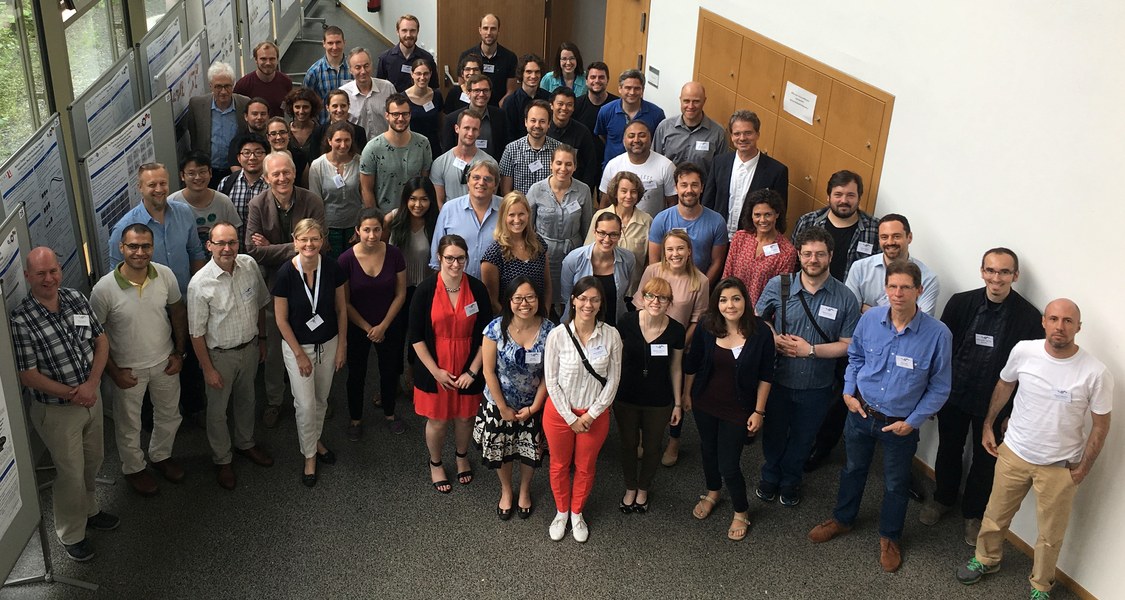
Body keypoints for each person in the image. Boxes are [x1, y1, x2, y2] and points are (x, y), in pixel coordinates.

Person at [955, 299, 1112, 600]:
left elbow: (1101, 425)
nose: (1060, 326)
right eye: (1054, 318)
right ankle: (986, 560)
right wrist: (989, 424)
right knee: (995, 515)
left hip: (1060, 466)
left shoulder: (1095, 372)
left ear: (1079, 327)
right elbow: (1004, 385)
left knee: (1050, 536)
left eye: (1068, 321)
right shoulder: (1024, 351)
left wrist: (1082, 470)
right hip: (1014, 453)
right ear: (1044, 322)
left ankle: (1041, 586)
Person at [808, 260, 952, 573]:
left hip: (900, 424)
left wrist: (912, 422)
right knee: (853, 469)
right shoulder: (870, 318)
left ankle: (890, 537)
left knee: (896, 483)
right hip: (861, 412)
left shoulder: (938, 335)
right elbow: (856, 357)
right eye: (893, 287)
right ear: (885, 289)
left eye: (905, 287)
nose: (898, 294)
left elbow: (940, 388)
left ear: (919, 290)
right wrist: (848, 392)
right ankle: (843, 519)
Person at [925, 248, 1043, 544]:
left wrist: (1011, 414)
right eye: (990, 270)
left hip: (995, 405)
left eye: (1004, 272)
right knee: (948, 448)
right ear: (982, 272)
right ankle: (943, 499)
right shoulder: (961, 303)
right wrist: (933, 392)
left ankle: (973, 515)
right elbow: (942, 350)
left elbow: (1029, 373)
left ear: (1015, 276)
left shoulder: (1029, 317)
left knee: (985, 461)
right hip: (955, 394)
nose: (996, 278)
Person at [11, 248, 117, 562]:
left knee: (93, 459)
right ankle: (72, 534)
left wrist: (92, 383)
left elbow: (100, 341)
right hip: (57, 411)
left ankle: (89, 509)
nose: (49, 279)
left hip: (90, 397)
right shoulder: (21, 320)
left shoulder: (74, 298)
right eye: (40, 274)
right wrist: (75, 393)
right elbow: (28, 376)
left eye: (53, 271)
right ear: (28, 277)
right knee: (70, 472)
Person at [754, 226, 859, 507]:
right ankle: (770, 473)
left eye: (820, 254)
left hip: (818, 385)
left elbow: (848, 344)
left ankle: (791, 479)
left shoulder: (845, 297)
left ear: (831, 256)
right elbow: (757, 319)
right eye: (808, 254)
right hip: (777, 380)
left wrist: (809, 350)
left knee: (803, 438)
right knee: (774, 433)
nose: (814, 260)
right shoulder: (779, 285)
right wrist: (773, 339)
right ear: (799, 255)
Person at [91, 223, 187, 496]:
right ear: (121, 248)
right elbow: (94, 338)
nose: (139, 252)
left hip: (164, 362)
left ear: (152, 248)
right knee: (129, 423)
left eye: (146, 246)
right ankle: (134, 468)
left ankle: (160, 455)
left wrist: (180, 353)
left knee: (169, 414)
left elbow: (178, 312)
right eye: (133, 246)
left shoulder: (164, 275)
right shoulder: (104, 290)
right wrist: (113, 372)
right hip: (126, 370)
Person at [792, 170, 879, 471]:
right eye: (838, 194)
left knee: (839, 385)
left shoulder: (873, 230)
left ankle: (823, 446)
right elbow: (796, 264)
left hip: (848, 317)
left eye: (851, 195)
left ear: (859, 197)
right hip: (808, 309)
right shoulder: (808, 221)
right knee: (801, 373)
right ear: (828, 195)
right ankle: (795, 435)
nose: (844, 200)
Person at [187, 222, 275, 491]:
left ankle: (245, 443)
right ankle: (222, 459)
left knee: (247, 400)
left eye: (232, 242)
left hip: (248, 349)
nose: (227, 248)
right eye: (221, 243)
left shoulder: (248, 265)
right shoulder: (199, 285)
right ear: (209, 245)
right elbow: (196, 333)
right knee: (217, 412)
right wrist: (207, 369)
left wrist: (261, 339)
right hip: (219, 357)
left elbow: (260, 303)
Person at [685, 277, 774, 541]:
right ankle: (713, 492)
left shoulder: (760, 332)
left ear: (745, 301)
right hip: (705, 403)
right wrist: (686, 396)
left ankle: (741, 510)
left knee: (729, 463)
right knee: (708, 450)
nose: (730, 305)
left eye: (736, 298)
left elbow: (766, 375)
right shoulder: (707, 326)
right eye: (723, 300)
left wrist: (759, 412)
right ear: (716, 304)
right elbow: (693, 363)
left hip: (740, 409)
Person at [245, 152, 326, 428]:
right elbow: (253, 249)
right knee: (277, 350)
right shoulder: (257, 204)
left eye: (286, 172)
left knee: (314, 342)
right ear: (266, 178)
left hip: (310, 285)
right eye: (275, 174)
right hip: (273, 287)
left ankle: (315, 397)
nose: (282, 178)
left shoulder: (312, 201)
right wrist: (296, 246)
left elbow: (319, 245)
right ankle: (275, 401)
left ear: (294, 173)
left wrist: (274, 246)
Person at [408, 234, 494, 493]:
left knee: (466, 418)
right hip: (435, 366)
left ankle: (461, 455)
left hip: (469, 364)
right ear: (439, 258)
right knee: (438, 420)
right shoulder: (425, 290)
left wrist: (473, 370)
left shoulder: (477, 289)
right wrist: (435, 372)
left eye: (460, 258)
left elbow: (487, 335)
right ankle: (436, 462)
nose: (455, 264)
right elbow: (415, 336)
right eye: (449, 259)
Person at [543, 276, 623, 542]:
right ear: (573, 301)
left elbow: (613, 380)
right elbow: (550, 380)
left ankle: (577, 513)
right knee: (559, 464)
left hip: (594, 415)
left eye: (595, 299)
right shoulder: (557, 335)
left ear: (601, 304)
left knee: (586, 466)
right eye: (583, 298)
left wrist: (590, 415)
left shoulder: (611, 336)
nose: (588, 304)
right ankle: (561, 511)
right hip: (559, 414)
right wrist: (570, 417)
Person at [272, 218, 348, 487]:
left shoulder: (333, 268)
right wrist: (300, 355)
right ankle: (309, 457)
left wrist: (342, 346)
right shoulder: (284, 273)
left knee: (320, 400)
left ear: (322, 241)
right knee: (304, 405)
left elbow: (341, 310)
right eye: (303, 239)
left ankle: (314, 440)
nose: (309, 244)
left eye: (314, 239)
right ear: (295, 242)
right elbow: (281, 320)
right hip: (298, 348)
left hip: (328, 344)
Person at [473, 277, 554, 519]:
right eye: (518, 298)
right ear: (509, 301)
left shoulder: (550, 331)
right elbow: (488, 371)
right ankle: (507, 490)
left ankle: (525, 491)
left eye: (530, 297)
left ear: (538, 300)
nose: (524, 303)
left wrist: (535, 406)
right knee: (504, 451)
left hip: (534, 403)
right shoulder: (495, 328)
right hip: (499, 403)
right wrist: (502, 407)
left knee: (529, 452)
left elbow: (550, 374)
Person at [615, 277, 685, 514]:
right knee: (628, 444)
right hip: (626, 396)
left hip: (659, 399)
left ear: (669, 302)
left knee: (653, 446)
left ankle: (643, 487)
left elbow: (676, 367)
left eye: (662, 297)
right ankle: (630, 486)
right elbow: (616, 359)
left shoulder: (677, 330)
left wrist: (677, 403)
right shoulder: (626, 322)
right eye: (650, 296)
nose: (655, 301)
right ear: (642, 298)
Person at [340, 208, 408, 440]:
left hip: (389, 324)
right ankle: (355, 418)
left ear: (383, 230)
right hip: (358, 326)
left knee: (389, 371)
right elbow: (344, 302)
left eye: (377, 229)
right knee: (356, 373)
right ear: (357, 231)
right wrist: (368, 328)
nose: (371, 235)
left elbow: (400, 294)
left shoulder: (394, 254)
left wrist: (383, 325)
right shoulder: (346, 259)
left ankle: (390, 413)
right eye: (366, 230)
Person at [703, 110, 789, 239]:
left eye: (748, 133)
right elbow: (707, 202)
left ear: (757, 134)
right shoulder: (719, 163)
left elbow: (779, 214)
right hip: (717, 238)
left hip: (751, 243)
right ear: (731, 136)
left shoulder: (776, 171)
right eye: (737, 134)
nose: (742, 138)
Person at [527, 145, 592, 311]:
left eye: (569, 164)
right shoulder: (537, 190)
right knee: (545, 294)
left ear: (575, 166)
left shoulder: (583, 190)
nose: (563, 168)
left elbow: (587, 227)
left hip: (574, 251)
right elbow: (527, 226)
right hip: (544, 252)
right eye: (559, 163)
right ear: (551, 164)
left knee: (572, 296)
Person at [647, 163, 729, 288]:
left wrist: (701, 287)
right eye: (684, 185)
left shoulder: (717, 221)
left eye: (694, 185)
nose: (689, 190)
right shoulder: (661, 220)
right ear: (676, 188)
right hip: (666, 288)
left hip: (702, 288)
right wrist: (665, 289)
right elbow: (654, 261)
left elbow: (717, 262)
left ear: (702, 188)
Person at [846, 214, 940, 315]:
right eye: (884, 237)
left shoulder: (927, 279)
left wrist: (867, 310)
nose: (890, 242)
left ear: (909, 237)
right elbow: (850, 311)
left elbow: (922, 320)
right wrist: (903, 313)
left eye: (896, 236)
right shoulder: (859, 268)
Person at [359, 93, 433, 213]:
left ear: (410, 115)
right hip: (385, 216)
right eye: (395, 114)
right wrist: (377, 220)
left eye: (405, 114)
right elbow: (366, 190)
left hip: (415, 214)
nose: (400, 118)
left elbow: (425, 183)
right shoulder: (372, 148)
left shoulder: (423, 143)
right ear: (387, 116)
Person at [722, 189, 797, 305]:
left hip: (760, 315)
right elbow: (727, 275)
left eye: (768, 214)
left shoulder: (787, 252)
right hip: (731, 307)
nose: (762, 220)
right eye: (757, 215)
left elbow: (780, 292)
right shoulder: (740, 238)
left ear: (777, 214)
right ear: (751, 215)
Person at [481, 191, 551, 314]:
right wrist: (514, 324)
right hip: (509, 322)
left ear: (528, 215)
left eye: (521, 214)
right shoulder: (494, 253)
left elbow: (547, 286)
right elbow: (492, 300)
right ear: (503, 217)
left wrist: (544, 315)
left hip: (539, 319)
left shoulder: (538, 243)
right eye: (511, 215)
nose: (517, 220)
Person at [430, 161, 502, 279]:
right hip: (456, 287)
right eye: (476, 177)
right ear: (468, 181)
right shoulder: (449, 209)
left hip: (495, 289)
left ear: (495, 184)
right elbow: (436, 255)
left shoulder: (506, 209)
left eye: (487, 179)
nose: (481, 183)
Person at [561, 213, 634, 326]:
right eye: (602, 233)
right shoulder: (574, 259)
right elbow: (567, 296)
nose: (607, 239)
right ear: (594, 232)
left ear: (620, 235)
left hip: (614, 323)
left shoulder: (628, 259)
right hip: (579, 324)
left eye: (613, 234)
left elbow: (623, 293)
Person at [183, 62, 250, 187]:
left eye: (227, 86)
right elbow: (194, 135)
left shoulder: (244, 104)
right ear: (210, 86)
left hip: (235, 170)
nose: (223, 91)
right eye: (218, 86)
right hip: (207, 172)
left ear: (233, 85)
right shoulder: (197, 105)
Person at [587, 171, 651, 297]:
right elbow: (588, 251)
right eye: (624, 191)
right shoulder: (600, 216)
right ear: (615, 192)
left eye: (633, 191)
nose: (629, 196)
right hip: (601, 286)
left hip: (633, 291)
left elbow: (649, 260)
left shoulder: (647, 221)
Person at [599, 119, 676, 216]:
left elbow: (673, 204)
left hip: (654, 227)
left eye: (642, 135)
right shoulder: (613, 165)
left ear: (650, 138)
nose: (636, 140)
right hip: (619, 228)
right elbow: (605, 203)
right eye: (631, 136)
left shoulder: (666, 166)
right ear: (624, 140)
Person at [309, 121, 363, 258]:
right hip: (329, 228)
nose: (343, 145)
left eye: (347, 140)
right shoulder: (317, 166)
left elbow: (365, 196)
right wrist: (321, 233)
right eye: (338, 140)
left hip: (354, 226)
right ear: (329, 141)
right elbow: (315, 202)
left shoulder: (360, 162)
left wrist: (360, 228)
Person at [170, 151, 241, 251]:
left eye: (202, 172)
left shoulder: (224, 202)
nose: (198, 177)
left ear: (210, 173)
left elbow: (235, 237)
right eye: (191, 173)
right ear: (182, 176)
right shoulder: (171, 203)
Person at [653, 82, 727, 177]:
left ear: (704, 101)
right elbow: (654, 162)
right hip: (669, 189)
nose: (691, 106)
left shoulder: (718, 133)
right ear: (680, 100)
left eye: (696, 101)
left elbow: (720, 170)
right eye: (686, 101)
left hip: (702, 190)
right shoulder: (664, 127)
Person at [594, 70, 666, 168]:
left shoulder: (656, 114)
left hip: (645, 168)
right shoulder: (606, 111)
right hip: (614, 169)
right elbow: (602, 136)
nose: (632, 92)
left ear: (642, 90)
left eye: (637, 88)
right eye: (628, 88)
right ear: (620, 88)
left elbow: (658, 142)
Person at [430, 109, 497, 207]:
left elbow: (491, 199)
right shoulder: (440, 163)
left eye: (474, 129)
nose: (470, 133)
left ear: (479, 132)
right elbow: (439, 202)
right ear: (457, 128)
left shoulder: (491, 164)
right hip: (450, 220)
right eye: (466, 128)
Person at [499, 100, 560, 195]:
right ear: (526, 122)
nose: (537, 125)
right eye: (533, 120)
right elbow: (506, 191)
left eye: (542, 121)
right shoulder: (511, 150)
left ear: (549, 124)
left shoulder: (559, 150)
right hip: (520, 207)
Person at [441, 74, 509, 156]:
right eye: (477, 90)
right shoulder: (452, 119)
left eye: (485, 90)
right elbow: (447, 152)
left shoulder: (500, 116)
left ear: (490, 93)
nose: (481, 94)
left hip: (492, 166)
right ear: (468, 93)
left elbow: (504, 146)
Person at [547, 87, 599, 193]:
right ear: (551, 105)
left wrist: (584, 191)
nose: (564, 108)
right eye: (560, 104)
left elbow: (590, 165)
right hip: (546, 189)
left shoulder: (582, 132)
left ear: (574, 108)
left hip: (575, 190)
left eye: (569, 105)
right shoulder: (544, 129)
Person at [218, 134, 270, 240]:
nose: (252, 157)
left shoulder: (273, 184)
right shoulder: (226, 183)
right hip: (233, 251)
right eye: (246, 153)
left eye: (258, 152)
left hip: (264, 250)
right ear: (238, 158)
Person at [459, 14, 517, 106]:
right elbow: (462, 83)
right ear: (480, 30)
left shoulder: (510, 57)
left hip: (498, 110)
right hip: (472, 109)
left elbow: (511, 90)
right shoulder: (466, 56)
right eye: (485, 28)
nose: (489, 32)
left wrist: (501, 106)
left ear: (499, 31)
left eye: (493, 28)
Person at [341, 47, 395, 137]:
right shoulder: (344, 94)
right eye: (358, 67)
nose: (363, 71)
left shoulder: (387, 88)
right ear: (350, 70)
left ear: (371, 65)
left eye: (366, 66)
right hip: (357, 148)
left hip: (385, 147)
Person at [376, 14, 438, 91]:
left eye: (412, 31)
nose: (408, 35)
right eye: (404, 30)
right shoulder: (385, 58)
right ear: (397, 32)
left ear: (417, 32)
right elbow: (379, 88)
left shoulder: (427, 59)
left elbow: (434, 88)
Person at [304, 25, 353, 121]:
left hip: (350, 125)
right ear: (324, 44)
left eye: (338, 42)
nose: (334, 47)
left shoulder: (353, 68)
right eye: (330, 43)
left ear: (344, 43)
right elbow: (306, 102)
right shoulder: (314, 72)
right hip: (324, 126)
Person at [234, 41, 292, 116]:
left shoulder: (286, 82)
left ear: (277, 60)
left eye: (272, 59)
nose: (268, 63)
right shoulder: (243, 85)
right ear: (256, 60)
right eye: (263, 59)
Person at [501, 54, 551, 139]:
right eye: (529, 72)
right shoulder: (510, 102)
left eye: (537, 72)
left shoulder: (549, 98)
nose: (533, 76)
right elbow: (508, 134)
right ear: (521, 74)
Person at [404, 58, 444, 157]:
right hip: (411, 148)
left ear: (430, 74)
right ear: (412, 74)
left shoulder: (437, 95)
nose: (422, 77)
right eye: (418, 73)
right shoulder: (402, 98)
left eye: (426, 73)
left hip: (433, 147)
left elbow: (441, 124)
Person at [318, 89, 368, 155]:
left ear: (348, 106)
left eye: (343, 106)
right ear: (327, 108)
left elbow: (362, 159)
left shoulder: (359, 132)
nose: (339, 110)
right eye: (335, 106)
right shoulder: (318, 132)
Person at [264, 117, 310, 188]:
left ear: (289, 134)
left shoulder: (300, 158)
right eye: (273, 133)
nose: (278, 137)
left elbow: (306, 187)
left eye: (282, 132)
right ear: (268, 137)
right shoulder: (262, 157)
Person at [284, 87, 325, 161]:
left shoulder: (320, 132)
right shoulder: (285, 131)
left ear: (312, 108)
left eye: (305, 107)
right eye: (297, 107)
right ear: (291, 108)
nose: (301, 111)